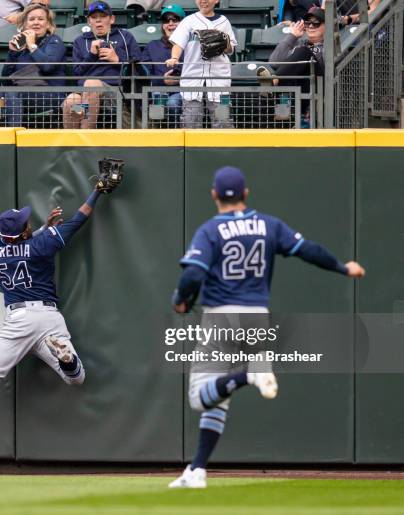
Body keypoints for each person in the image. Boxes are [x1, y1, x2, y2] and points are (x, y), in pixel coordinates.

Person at [168, 166, 365, 489]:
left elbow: (192, 275)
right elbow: (309, 250)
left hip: (221, 317)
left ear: (214, 194)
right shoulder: (268, 224)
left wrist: (180, 298)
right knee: (220, 397)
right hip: (258, 317)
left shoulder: (210, 230)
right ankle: (197, 471)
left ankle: (250, 374)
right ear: (246, 194)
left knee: (199, 399)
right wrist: (343, 268)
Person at [0, 180, 115, 454]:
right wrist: (97, 191)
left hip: (17, 321)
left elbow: (21, 243)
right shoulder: (40, 245)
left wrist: (43, 229)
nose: (28, 223)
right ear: (23, 233)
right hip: (47, 318)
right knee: (76, 378)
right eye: (25, 223)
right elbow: (78, 220)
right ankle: (66, 357)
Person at [62, 1, 142, 129]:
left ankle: (86, 139)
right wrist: (92, 55)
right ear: (89, 21)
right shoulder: (81, 41)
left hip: (117, 95)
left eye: (103, 16)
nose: (98, 21)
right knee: (72, 101)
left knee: (92, 84)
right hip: (87, 98)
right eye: (94, 17)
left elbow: (140, 69)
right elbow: (77, 73)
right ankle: (74, 145)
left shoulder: (125, 36)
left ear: (112, 19)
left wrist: (117, 60)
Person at [166, 0, 237, 129]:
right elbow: (178, 44)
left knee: (223, 121)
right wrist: (174, 57)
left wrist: (222, 42)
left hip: (219, 77)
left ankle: (225, 149)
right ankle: (191, 149)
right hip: (193, 77)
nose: (203, 1)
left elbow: (231, 49)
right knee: (190, 121)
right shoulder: (189, 21)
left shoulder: (224, 21)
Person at [2, 3, 66, 127]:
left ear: (48, 24)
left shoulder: (54, 41)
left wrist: (32, 46)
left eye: (41, 19)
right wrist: (13, 53)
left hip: (49, 95)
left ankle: (14, 135)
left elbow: (48, 67)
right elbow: (5, 79)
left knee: (11, 95)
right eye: (31, 19)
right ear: (25, 25)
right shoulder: (20, 44)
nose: (36, 23)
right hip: (22, 95)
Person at [142, 3, 185, 127]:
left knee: (172, 103)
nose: (170, 23)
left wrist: (178, 79)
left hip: (184, 91)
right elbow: (144, 73)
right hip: (158, 90)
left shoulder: (190, 45)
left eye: (175, 19)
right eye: (166, 20)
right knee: (158, 100)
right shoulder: (152, 45)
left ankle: (174, 137)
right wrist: (163, 80)